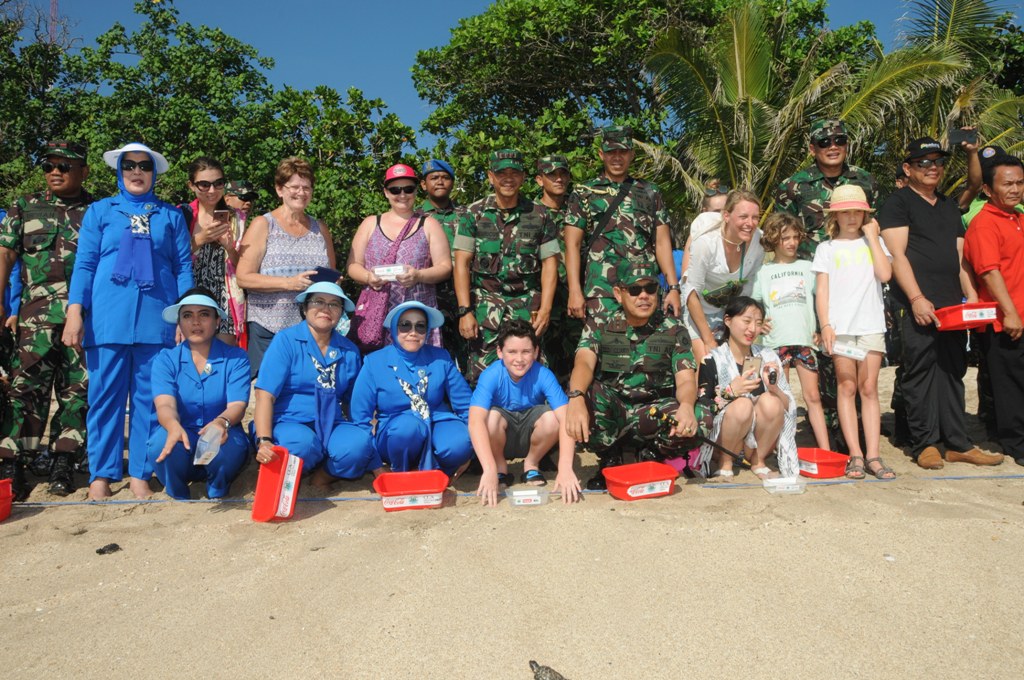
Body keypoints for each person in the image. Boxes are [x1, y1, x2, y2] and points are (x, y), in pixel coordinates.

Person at [63, 142, 193, 500]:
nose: (137, 172)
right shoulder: (99, 212)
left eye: (144, 166)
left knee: (151, 401)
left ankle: (140, 473)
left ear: (154, 173)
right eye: (129, 166)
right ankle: (101, 475)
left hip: (158, 319)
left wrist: (184, 315)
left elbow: (183, 268)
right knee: (105, 399)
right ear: (119, 172)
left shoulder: (170, 216)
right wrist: (75, 311)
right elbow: (85, 264)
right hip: (107, 319)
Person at [878, 137, 1002, 470]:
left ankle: (957, 443)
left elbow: (960, 254)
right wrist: (917, 298)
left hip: (952, 304)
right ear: (908, 168)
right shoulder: (898, 203)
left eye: (938, 162)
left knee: (952, 370)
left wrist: (971, 293)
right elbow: (897, 257)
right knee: (919, 373)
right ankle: (925, 444)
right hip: (914, 302)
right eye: (924, 162)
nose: (933, 168)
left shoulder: (948, 204)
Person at [0, 141, 94, 498]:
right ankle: (13, 462)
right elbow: (6, 255)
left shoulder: (97, 211)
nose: (55, 171)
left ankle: (63, 462)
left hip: (82, 319)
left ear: (83, 171)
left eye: (65, 166)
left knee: (76, 391)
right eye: (49, 166)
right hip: (33, 319)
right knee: (24, 390)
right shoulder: (24, 206)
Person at [564, 262, 708, 491]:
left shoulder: (673, 328)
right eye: (634, 289)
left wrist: (688, 405)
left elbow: (686, 378)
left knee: (702, 417)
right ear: (619, 294)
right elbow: (583, 362)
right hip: (614, 409)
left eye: (650, 289)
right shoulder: (601, 323)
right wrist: (576, 397)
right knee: (587, 393)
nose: (644, 296)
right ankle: (609, 458)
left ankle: (653, 455)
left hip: (652, 411)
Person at [252, 282, 380, 487]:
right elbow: (264, 395)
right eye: (318, 302)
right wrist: (264, 440)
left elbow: (354, 403)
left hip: (331, 423)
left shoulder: (349, 350)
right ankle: (291, 473)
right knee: (302, 445)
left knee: (358, 445)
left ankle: (324, 475)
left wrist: (368, 442)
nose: (325, 309)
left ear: (341, 313)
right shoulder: (286, 340)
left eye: (334, 304)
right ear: (305, 308)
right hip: (287, 421)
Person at [453, 149, 560, 384]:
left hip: (527, 306)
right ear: (491, 176)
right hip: (484, 306)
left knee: (531, 372)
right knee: (480, 377)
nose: (508, 179)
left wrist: (545, 310)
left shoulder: (540, 215)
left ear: (523, 177)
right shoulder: (473, 214)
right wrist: (465, 311)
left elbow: (550, 264)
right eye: (502, 173)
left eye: (514, 173)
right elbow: (461, 263)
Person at [812, 186, 895, 479]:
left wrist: (873, 236)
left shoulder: (875, 242)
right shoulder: (826, 248)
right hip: (841, 329)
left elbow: (885, 275)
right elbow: (822, 291)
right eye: (845, 211)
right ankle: (855, 455)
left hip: (871, 325)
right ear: (835, 215)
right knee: (846, 387)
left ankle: (873, 455)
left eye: (857, 211)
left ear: (865, 214)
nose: (851, 217)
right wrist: (825, 325)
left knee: (869, 387)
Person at [564, 125, 682, 320]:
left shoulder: (650, 192)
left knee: (645, 347)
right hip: (602, 289)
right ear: (602, 154)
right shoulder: (584, 193)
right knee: (602, 345)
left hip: (643, 289)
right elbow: (572, 244)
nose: (617, 157)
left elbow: (662, 243)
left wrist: (674, 288)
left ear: (632, 154)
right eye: (611, 152)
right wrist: (575, 290)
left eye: (623, 152)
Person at [236, 157, 336, 379]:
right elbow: (243, 277)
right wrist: (289, 283)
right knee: (267, 396)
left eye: (306, 187)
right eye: (294, 187)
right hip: (268, 329)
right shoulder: (263, 224)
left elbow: (333, 279)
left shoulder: (321, 229)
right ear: (279, 189)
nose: (301, 192)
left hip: (312, 332)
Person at [350, 301, 474, 478]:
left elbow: (467, 406)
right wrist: (376, 465)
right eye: (405, 325)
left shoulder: (441, 357)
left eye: (420, 326)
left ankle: (437, 471)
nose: (413, 332)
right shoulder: (373, 362)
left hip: (436, 420)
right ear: (393, 328)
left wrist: (470, 449)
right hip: (395, 434)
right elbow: (360, 417)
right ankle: (401, 473)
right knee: (407, 427)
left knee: (459, 442)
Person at [147, 288, 251, 499]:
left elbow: (237, 406)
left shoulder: (236, 358)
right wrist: (172, 426)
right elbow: (165, 405)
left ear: (217, 321)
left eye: (204, 314)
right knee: (160, 443)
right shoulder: (165, 360)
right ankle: (178, 493)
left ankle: (217, 488)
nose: (196, 322)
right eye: (187, 315)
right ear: (179, 323)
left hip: (222, 433)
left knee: (222, 444)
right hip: (183, 435)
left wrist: (221, 422)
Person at [469, 319, 581, 506]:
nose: (519, 359)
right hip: (500, 437)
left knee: (553, 418)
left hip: (531, 438)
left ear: (536, 353)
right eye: (512, 352)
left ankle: (531, 464)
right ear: (499, 353)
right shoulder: (490, 375)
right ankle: (499, 467)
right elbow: (474, 422)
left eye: (526, 351)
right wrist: (487, 469)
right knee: (489, 418)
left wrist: (565, 467)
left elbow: (566, 418)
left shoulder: (544, 374)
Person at [346, 164, 451, 351]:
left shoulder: (429, 224)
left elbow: (444, 267)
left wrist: (418, 276)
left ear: (416, 191)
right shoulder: (370, 223)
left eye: (408, 189)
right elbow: (353, 265)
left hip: (415, 319)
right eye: (395, 189)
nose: (402, 194)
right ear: (386, 192)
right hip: (376, 316)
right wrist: (368, 277)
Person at [963, 154, 1024, 466]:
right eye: (1007, 184)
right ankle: (1015, 443)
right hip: (1003, 320)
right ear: (987, 189)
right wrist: (1010, 312)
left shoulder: (1018, 218)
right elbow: (989, 271)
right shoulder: (984, 223)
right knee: (1008, 384)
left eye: (1019, 182)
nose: (1014, 189)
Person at [696, 297, 798, 480]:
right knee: (742, 404)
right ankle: (725, 463)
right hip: (725, 444)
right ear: (728, 321)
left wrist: (774, 388)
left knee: (771, 402)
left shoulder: (768, 357)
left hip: (756, 447)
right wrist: (730, 392)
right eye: (746, 321)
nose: (752, 329)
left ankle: (759, 461)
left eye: (758, 323)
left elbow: (789, 407)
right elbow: (702, 410)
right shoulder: (712, 360)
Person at [751, 212, 829, 450]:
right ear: (774, 239)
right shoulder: (762, 272)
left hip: (805, 341)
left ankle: (825, 449)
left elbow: (822, 299)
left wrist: (821, 327)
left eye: (796, 237)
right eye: (786, 238)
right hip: (776, 342)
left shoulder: (808, 267)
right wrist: (758, 324)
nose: (792, 242)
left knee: (813, 397)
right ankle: (782, 449)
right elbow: (754, 306)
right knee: (779, 397)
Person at [684, 190, 765, 363]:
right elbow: (691, 294)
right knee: (708, 363)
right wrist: (708, 339)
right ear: (726, 216)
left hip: (729, 313)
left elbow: (747, 293)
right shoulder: (706, 244)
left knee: (737, 366)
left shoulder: (758, 243)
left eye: (755, 217)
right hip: (697, 311)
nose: (750, 224)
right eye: (743, 217)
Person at [181, 156, 246, 346]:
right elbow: (171, 260)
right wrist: (200, 239)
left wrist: (229, 247)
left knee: (223, 361)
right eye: (204, 185)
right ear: (191, 185)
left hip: (225, 296)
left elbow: (244, 267)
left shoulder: (236, 218)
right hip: (190, 294)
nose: (212, 190)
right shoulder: (181, 215)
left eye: (218, 183)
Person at [535, 154, 581, 384]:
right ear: (539, 180)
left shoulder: (580, 212)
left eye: (563, 173)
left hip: (575, 303)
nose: (559, 178)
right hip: (544, 304)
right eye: (552, 174)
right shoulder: (530, 214)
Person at [419, 159, 464, 363]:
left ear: (452, 183)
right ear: (423, 184)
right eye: (434, 177)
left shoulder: (467, 216)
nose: (440, 182)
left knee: (467, 356)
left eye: (445, 177)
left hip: (462, 297)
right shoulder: (415, 217)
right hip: (428, 296)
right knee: (432, 356)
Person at [680, 179, 730, 281]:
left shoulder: (737, 234)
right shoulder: (696, 235)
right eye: (716, 211)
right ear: (705, 211)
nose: (721, 216)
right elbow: (686, 275)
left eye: (725, 210)